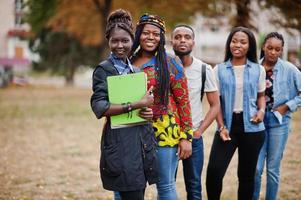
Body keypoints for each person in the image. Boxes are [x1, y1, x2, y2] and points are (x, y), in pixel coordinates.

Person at [90, 9, 159, 200]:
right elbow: (100, 107)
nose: (120, 45)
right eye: (115, 41)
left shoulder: (136, 71)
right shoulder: (103, 70)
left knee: (138, 193)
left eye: (125, 40)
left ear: (132, 40)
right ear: (108, 41)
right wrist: (136, 104)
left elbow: (143, 106)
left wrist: (147, 112)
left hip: (141, 143)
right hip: (121, 144)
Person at [130, 14, 194, 200]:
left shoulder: (171, 63)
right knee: (132, 184)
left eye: (156, 34)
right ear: (138, 34)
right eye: (146, 33)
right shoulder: (128, 62)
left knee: (165, 184)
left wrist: (186, 137)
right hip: (133, 129)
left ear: (161, 38)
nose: (151, 37)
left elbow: (184, 102)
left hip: (165, 131)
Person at [205, 26, 266, 200]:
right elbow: (215, 103)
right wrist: (221, 126)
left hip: (253, 128)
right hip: (227, 126)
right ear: (229, 43)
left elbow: (261, 96)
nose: (237, 45)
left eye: (243, 42)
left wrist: (261, 111)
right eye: (234, 41)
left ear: (250, 45)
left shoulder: (258, 69)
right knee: (214, 173)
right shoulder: (219, 70)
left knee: (246, 177)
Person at [171, 24, 220, 200]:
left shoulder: (204, 69)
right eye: (178, 37)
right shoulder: (164, 67)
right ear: (171, 41)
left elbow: (215, 105)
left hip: (193, 137)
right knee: (167, 184)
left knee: (194, 187)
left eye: (187, 37)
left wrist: (198, 132)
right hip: (168, 136)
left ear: (193, 42)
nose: (182, 40)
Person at [253, 32, 301, 200]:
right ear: (263, 48)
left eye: (277, 49)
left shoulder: (289, 69)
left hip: (278, 123)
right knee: (256, 168)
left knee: (272, 169)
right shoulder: (254, 68)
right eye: (270, 48)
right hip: (257, 122)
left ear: (281, 51)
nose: (273, 52)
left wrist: (286, 107)